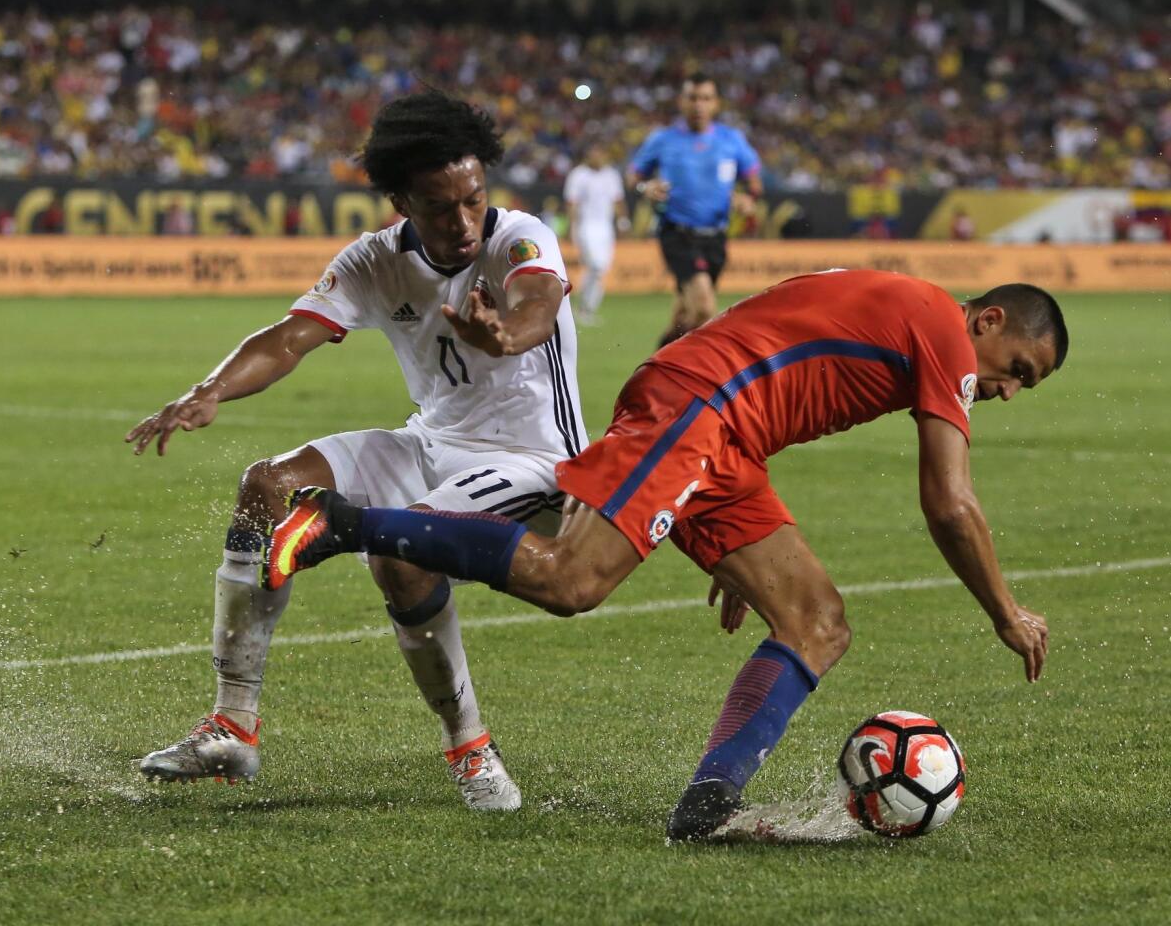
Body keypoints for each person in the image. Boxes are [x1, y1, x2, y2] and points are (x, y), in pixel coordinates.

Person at [267, 268, 1066, 841]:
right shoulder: (943, 335)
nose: (1006, 391)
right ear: (988, 320)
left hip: (724, 434)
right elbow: (948, 504)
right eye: (1017, 370)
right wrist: (1005, 612)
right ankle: (342, 523)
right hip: (698, 409)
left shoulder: (904, 304)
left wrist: (734, 542)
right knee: (570, 580)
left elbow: (779, 349)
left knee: (815, 621)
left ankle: (709, 803)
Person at [126, 91, 586, 811]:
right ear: (401, 201)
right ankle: (231, 727)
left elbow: (537, 300)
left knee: (396, 555)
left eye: (473, 198)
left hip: (539, 467)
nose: (462, 221)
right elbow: (287, 338)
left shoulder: (519, 236)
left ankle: (471, 750)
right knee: (266, 485)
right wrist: (208, 390)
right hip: (433, 444)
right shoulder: (374, 259)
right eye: (439, 207)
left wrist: (505, 334)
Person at [628, 73, 762, 348]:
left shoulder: (731, 139)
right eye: (692, 98)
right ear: (681, 102)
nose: (698, 105)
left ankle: (655, 364)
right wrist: (646, 188)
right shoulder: (663, 139)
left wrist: (748, 198)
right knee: (703, 307)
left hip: (715, 236)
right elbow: (633, 177)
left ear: (716, 104)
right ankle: (696, 381)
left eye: (705, 98)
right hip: (677, 232)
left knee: (684, 316)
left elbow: (754, 180)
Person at [563, 142, 628, 325]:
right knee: (596, 265)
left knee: (601, 270)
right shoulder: (578, 175)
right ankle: (584, 308)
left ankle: (587, 308)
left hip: (605, 228)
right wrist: (570, 226)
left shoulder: (611, 175)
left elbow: (618, 200)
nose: (597, 157)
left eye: (600, 153)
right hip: (585, 226)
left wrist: (623, 222)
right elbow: (572, 203)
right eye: (594, 153)